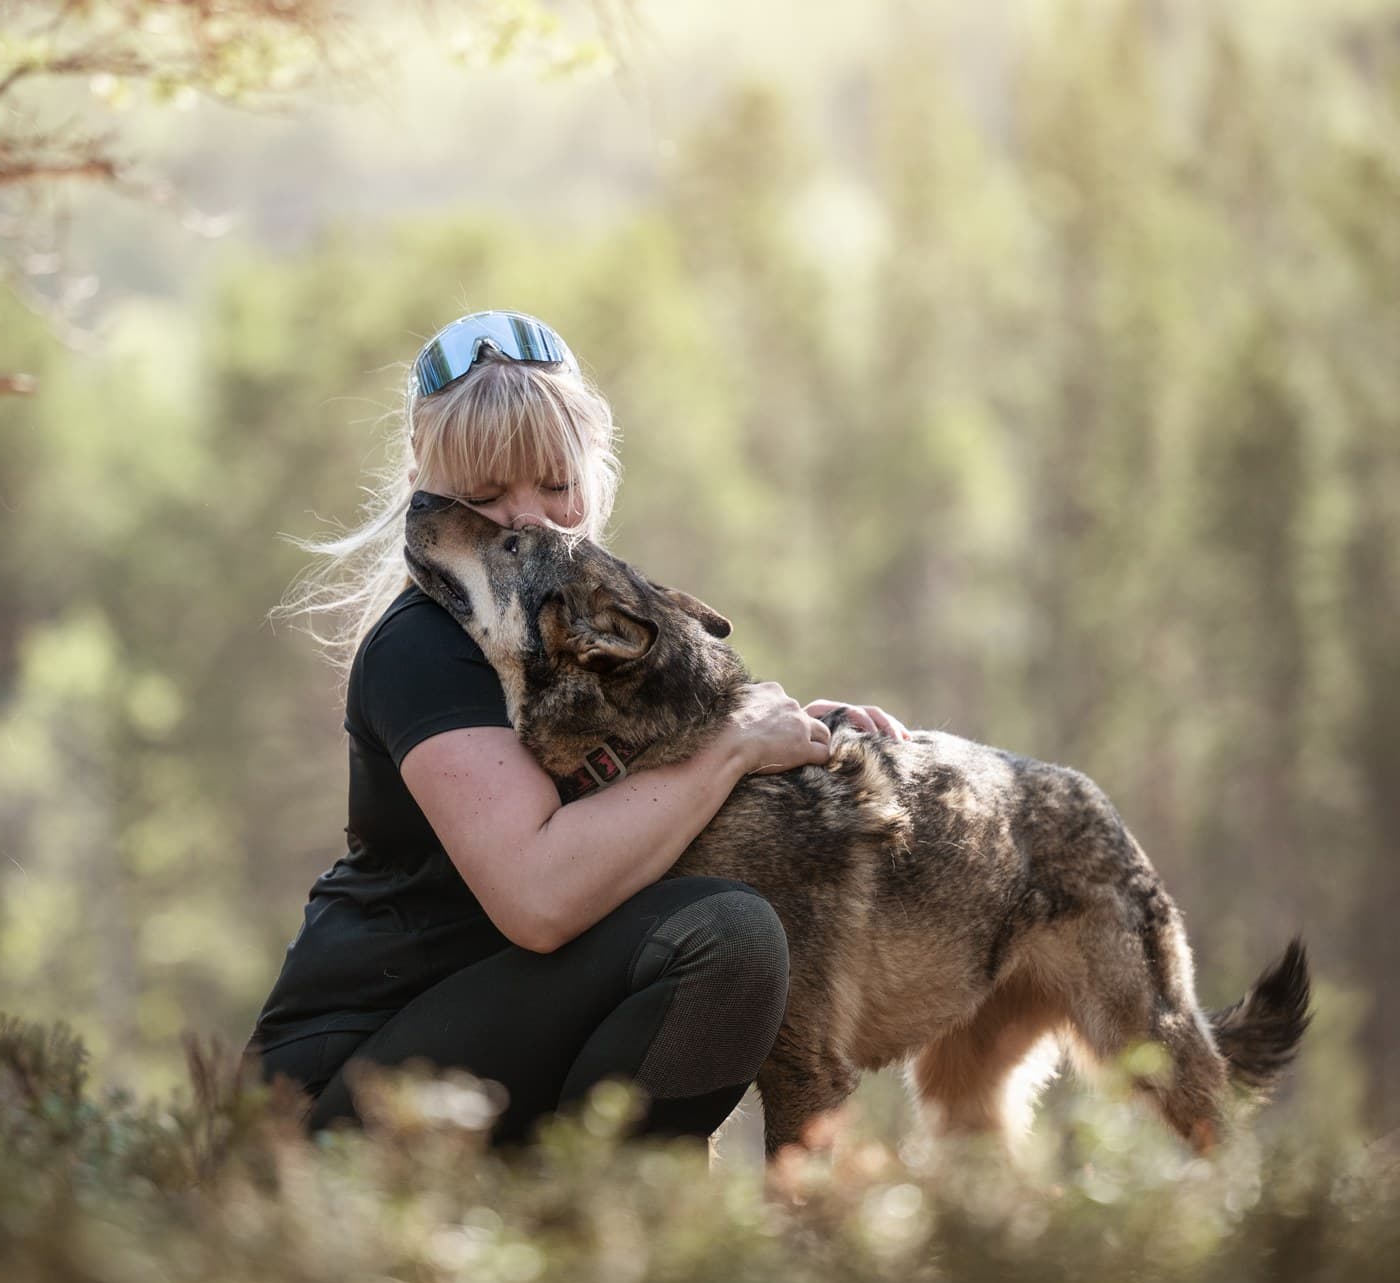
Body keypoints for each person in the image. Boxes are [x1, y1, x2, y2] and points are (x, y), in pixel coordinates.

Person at [244, 310, 908, 1145]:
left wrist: (803, 746)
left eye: (556, 484)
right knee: (724, 938)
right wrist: (733, 745)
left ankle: (619, 1250)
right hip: (342, 1092)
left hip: (494, 1043)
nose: (530, 518)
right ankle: (627, 1232)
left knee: (723, 923)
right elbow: (540, 897)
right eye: (484, 498)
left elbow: (652, 789)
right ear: (425, 490)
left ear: (595, 467)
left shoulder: (574, 635)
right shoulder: (422, 646)